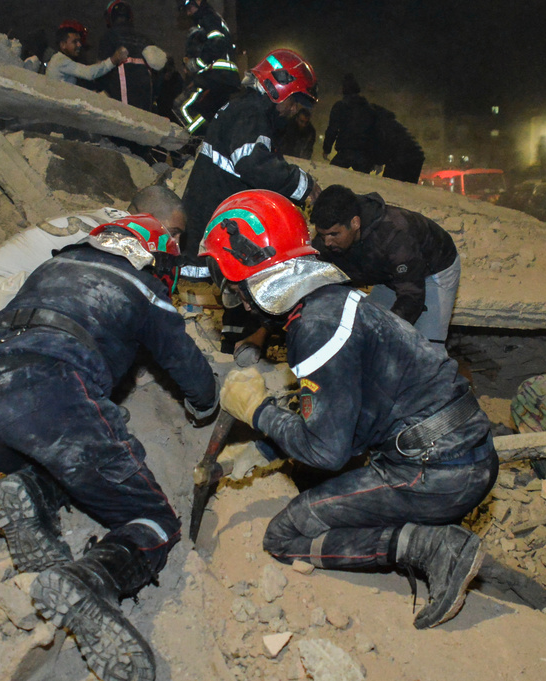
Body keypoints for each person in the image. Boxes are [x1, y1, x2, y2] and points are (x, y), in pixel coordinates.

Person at [200, 189, 497, 629]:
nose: (238, 300)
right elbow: (349, 413)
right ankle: (428, 533)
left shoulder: (314, 329)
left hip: (437, 471)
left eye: (234, 286)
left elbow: (328, 452)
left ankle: (433, 548)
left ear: (256, 279)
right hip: (460, 449)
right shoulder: (333, 302)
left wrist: (258, 411)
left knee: (284, 536)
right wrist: (266, 451)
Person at [0, 215, 218, 681]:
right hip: (44, 390)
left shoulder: (54, 265)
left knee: (62, 460)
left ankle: (32, 493)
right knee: (152, 519)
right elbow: (188, 367)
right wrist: (207, 405)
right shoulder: (144, 288)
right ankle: (90, 581)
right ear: (156, 257)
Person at [0, 185, 186, 337]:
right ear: (151, 218)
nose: (175, 243)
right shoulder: (115, 236)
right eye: (173, 232)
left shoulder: (113, 218)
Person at [180, 48, 322, 280]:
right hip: (207, 240)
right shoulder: (252, 113)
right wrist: (302, 184)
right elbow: (252, 163)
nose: (294, 110)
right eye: (294, 102)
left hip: (207, 225)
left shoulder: (246, 108)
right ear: (278, 89)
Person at [309, 184, 461, 344]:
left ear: (355, 223)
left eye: (334, 234)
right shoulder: (328, 237)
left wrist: (385, 333)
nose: (327, 242)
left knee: (425, 348)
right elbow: (311, 276)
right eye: (322, 235)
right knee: (364, 330)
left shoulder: (395, 237)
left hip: (434, 270)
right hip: (387, 273)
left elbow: (412, 297)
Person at [172, 0, 241, 136]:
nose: (188, 12)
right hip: (221, 77)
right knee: (209, 113)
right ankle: (212, 140)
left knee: (181, 106)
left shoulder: (207, 18)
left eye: (189, 7)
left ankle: (202, 139)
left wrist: (195, 64)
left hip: (215, 75)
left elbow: (216, 42)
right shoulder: (209, 19)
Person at [97, 0, 167, 112]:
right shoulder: (145, 40)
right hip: (145, 102)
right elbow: (160, 69)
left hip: (119, 103)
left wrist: (102, 91)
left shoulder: (108, 38)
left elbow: (100, 70)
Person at [322, 74, 376, 172]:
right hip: (364, 154)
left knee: (332, 175)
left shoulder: (340, 106)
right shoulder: (368, 109)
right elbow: (374, 134)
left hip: (345, 151)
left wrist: (327, 149)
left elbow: (332, 129)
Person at [47, 23, 127, 86]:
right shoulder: (61, 61)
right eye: (75, 42)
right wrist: (113, 60)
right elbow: (89, 73)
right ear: (63, 45)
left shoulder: (59, 60)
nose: (79, 45)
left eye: (79, 41)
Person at [369, 104, 425, 183]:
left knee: (391, 185)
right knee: (403, 188)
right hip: (414, 156)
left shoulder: (381, 125)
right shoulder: (390, 122)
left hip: (403, 157)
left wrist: (375, 161)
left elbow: (383, 145)